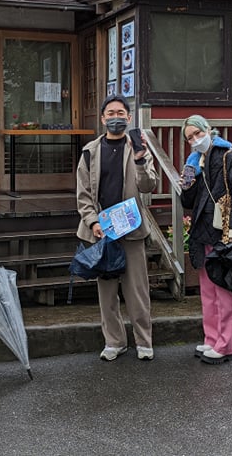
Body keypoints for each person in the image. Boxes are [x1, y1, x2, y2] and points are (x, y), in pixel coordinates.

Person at [76, 96, 159, 361]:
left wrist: (139, 160)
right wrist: (93, 222)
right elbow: (83, 194)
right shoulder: (90, 152)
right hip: (102, 231)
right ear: (102, 119)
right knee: (107, 293)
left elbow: (149, 186)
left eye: (120, 113)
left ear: (129, 118)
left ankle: (144, 341)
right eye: (110, 113)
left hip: (131, 229)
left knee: (137, 291)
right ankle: (114, 341)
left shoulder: (137, 148)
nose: (115, 117)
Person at [179, 115, 232, 365]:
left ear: (207, 130)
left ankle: (226, 344)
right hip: (203, 232)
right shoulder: (193, 163)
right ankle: (211, 339)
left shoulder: (226, 155)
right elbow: (188, 203)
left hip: (223, 232)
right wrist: (187, 186)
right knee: (208, 291)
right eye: (190, 137)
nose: (195, 139)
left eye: (197, 133)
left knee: (223, 290)